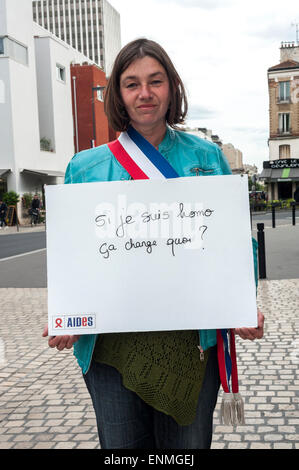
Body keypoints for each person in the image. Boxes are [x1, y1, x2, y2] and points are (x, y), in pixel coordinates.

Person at [43, 38, 264, 449]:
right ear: (118, 95)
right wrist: (65, 312)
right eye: (132, 84)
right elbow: (72, 257)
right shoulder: (85, 167)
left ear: (171, 87)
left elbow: (235, 243)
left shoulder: (206, 157)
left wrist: (242, 304)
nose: (145, 93)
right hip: (112, 349)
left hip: (190, 344)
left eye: (155, 81)